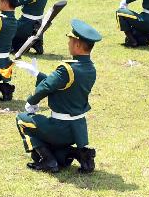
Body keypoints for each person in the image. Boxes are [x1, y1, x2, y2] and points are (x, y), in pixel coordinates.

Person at [14, 18, 101, 174]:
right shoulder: (90, 68)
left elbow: (48, 86)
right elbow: (64, 86)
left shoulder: (67, 68)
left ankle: (48, 162)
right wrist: (37, 73)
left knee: (22, 119)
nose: (68, 44)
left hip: (60, 128)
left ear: (77, 44)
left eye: (70, 40)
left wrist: (31, 102)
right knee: (60, 156)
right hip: (77, 130)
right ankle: (81, 154)